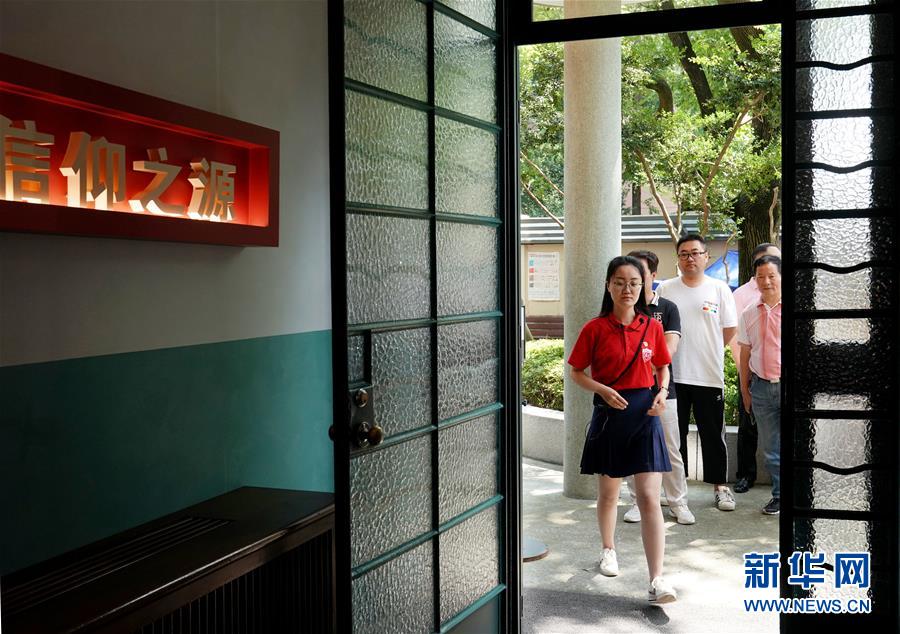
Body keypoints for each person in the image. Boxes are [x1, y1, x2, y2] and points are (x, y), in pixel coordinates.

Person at [568, 255, 677, 604]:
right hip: (610, 415)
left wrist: (662, 392)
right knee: (609, 494)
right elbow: (576, 372)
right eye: (619, 282)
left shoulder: (652, 327)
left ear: (643, 286)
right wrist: (602, 390)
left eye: (634, 283)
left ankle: (657, 579)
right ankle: (608, 549)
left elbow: (663, 367)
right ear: (608, 285)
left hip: (645, 415)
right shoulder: (594, 328)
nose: (627, 289)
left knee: (648, 498)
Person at [657, 234, 738, 511]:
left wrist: (709, 348)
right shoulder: (666, 289)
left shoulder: (719, 289)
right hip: (673, 375)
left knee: (713, 435)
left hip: (708, 374)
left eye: (695, 253)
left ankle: (721, 488)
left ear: (706, 256)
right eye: (684, 254)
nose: (690, 258)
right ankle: (676, 490)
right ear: (678, 259)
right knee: (674, 436)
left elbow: (729, 329)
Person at [622, 250, 695, 525]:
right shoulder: (624, 309)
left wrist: (644, 361)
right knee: (633, 447)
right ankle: (637, 502)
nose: (634, 280)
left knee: (670, 448)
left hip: (663, 389)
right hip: (630, 390)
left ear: (652, 275)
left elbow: (669, 349)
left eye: (640, 273)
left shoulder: (667, 308)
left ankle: (678, 502)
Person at [729, 243, 782, 494]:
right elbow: (744, 350)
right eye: (761, 276)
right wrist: (745, 388)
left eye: (772, 275)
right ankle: (777, 494)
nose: (766, 281)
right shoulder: (748, 309)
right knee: (769, 447)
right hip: (759, 384)